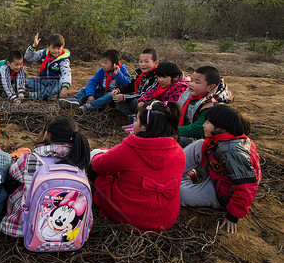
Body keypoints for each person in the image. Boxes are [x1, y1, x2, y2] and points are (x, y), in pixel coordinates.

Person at [90, 101, 185, 232]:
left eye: (136, 120)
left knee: (96, 173)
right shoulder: (179, 151)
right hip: (166, 219)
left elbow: (99, 166)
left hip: (130, 217)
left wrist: (98, 153)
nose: (134, 123)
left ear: (144, 127)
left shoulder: (131, 148)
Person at [0, 115, 90, 237]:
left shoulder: (30, 159)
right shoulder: (79, 162)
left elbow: (12, 172)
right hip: (68, 236)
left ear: (46, 134)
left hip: (24, 230)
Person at [180, 105, 261, 233]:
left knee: (180, 194)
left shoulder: (232, 151)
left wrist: (233, 216)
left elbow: (246, 187)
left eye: (207, 122)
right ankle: (171, 170)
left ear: (220, 127)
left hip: (223, 193)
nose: (203, 125)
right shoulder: (222, 139)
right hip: (217, 175)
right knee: (199, 145)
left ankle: (182, 180)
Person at [59, 49, 131, 113]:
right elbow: (92, 82)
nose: (102, 65)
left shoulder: (122, 70)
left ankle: (90, 106)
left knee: (110, 95)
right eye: (102, 62)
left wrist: (118, 74)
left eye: (105, 63)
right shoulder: (102, 71)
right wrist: (90, 95)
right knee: (84, 89)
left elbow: (128, 84)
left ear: (114, 64)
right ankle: (75, 100)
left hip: (113, 95)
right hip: (102, 91)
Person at [177, 66, 232, 147]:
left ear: (211, 87)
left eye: (197, 82)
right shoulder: (190, 96)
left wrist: (172, 130)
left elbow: (198, 129)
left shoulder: (211, 105)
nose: (191, 84)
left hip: (204, 140)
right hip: (186, 131)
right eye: (191, 80)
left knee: (174, 139)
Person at [111, 48, 159, 120]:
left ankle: (139, 117)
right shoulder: (141, 74)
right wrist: (118, 90)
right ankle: (131, 116)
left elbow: (146, 94)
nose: (143, 64)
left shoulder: (156, 77)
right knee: (118, 100)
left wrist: (125, 97)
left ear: (155, 63)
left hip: (148, 100)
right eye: (140, 61)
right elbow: (132, 85)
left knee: (135, 102)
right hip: (136, 97)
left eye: (146, 62)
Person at [24, 33, 71, 100]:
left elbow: (66, 73)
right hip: (42, 81)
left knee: (61, 84)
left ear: (62, 47)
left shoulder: (63, 60)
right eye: (53, 48)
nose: (56, 51)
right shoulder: (43, 53)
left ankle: (36, 95)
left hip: (54, 83)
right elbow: (28, 57)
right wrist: (33, 46)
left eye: (58, 48)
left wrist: (65, 88)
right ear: (48, 46)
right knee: (25, 81)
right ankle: (50, 94)